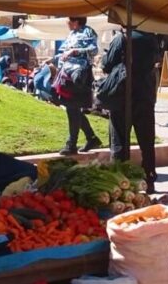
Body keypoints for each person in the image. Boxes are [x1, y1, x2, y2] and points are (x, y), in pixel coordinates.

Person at [102, 30, 159, 191]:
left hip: (122, 97)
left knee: (119, 141)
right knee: (147, 142)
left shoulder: (121, 38)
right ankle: (149, 177)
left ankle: (121, 181)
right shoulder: (150, 38)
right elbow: (155, 60)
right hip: (145, 96)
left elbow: (107, 64)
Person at [57, 16, 101, 155]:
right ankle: (91, 138)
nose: (67, 23)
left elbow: (94, 50)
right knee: (73, 108)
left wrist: (74, 51)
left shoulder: (88, 32)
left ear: (76, 22)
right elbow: (63, 50)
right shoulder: (72, 34)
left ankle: (72, 144)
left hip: (80, 76)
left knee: (73, 108)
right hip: (67, 75)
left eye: (69, 21)